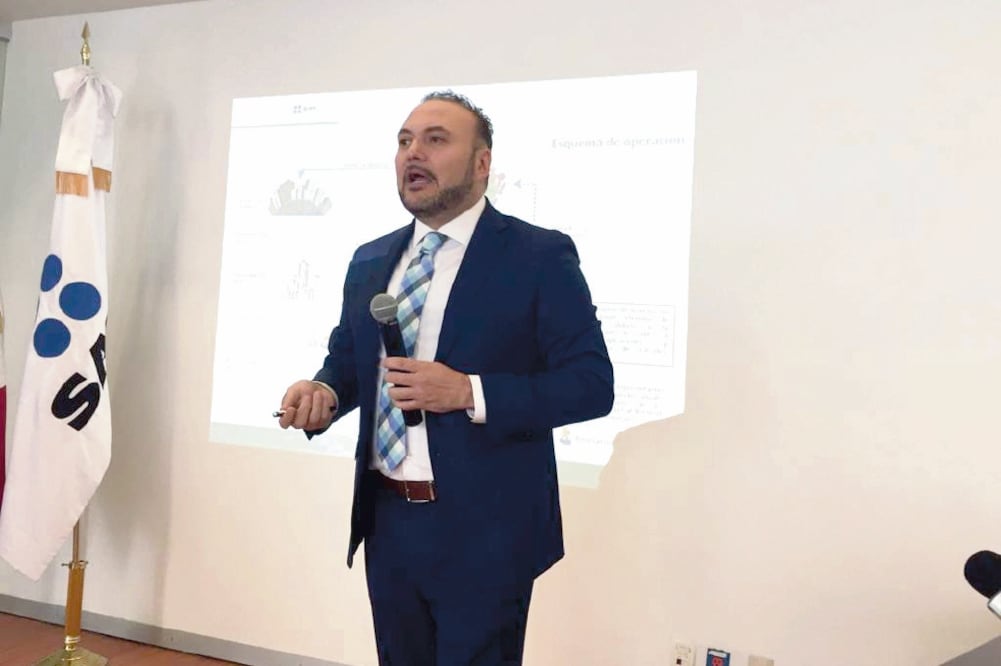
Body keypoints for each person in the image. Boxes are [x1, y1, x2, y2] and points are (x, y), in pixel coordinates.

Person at [279, 91, 613, 666]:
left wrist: (467, 391)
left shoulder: (537, 256)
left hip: (487, 530)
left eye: (436, 139)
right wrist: (325, 391)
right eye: (405, 140)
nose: (414, 152)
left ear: (482, 164)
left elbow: (591, 384)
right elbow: (350, 361)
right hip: (389, 523)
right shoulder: (369, 260)